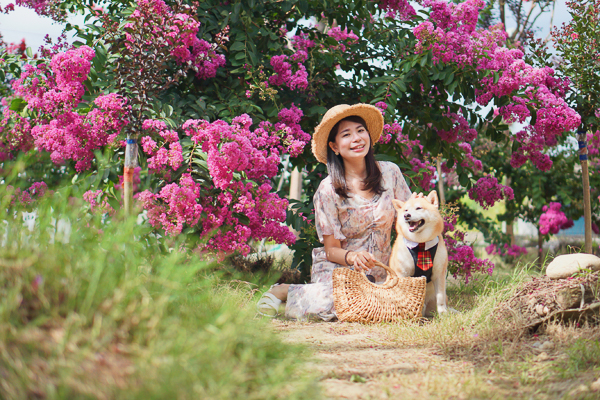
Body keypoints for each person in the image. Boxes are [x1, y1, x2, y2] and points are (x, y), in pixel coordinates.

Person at [257, 103, 412, 320]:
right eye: (346, 134)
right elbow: (331, 250)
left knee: (391, 302)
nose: (357, 138)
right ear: (335, 146)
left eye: (360, 130)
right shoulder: (327, 190)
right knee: (338, 300)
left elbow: (410, 216)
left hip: (380, 270)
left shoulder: (390, 173)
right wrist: (353, 257)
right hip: (339, 268)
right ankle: (282, 290)